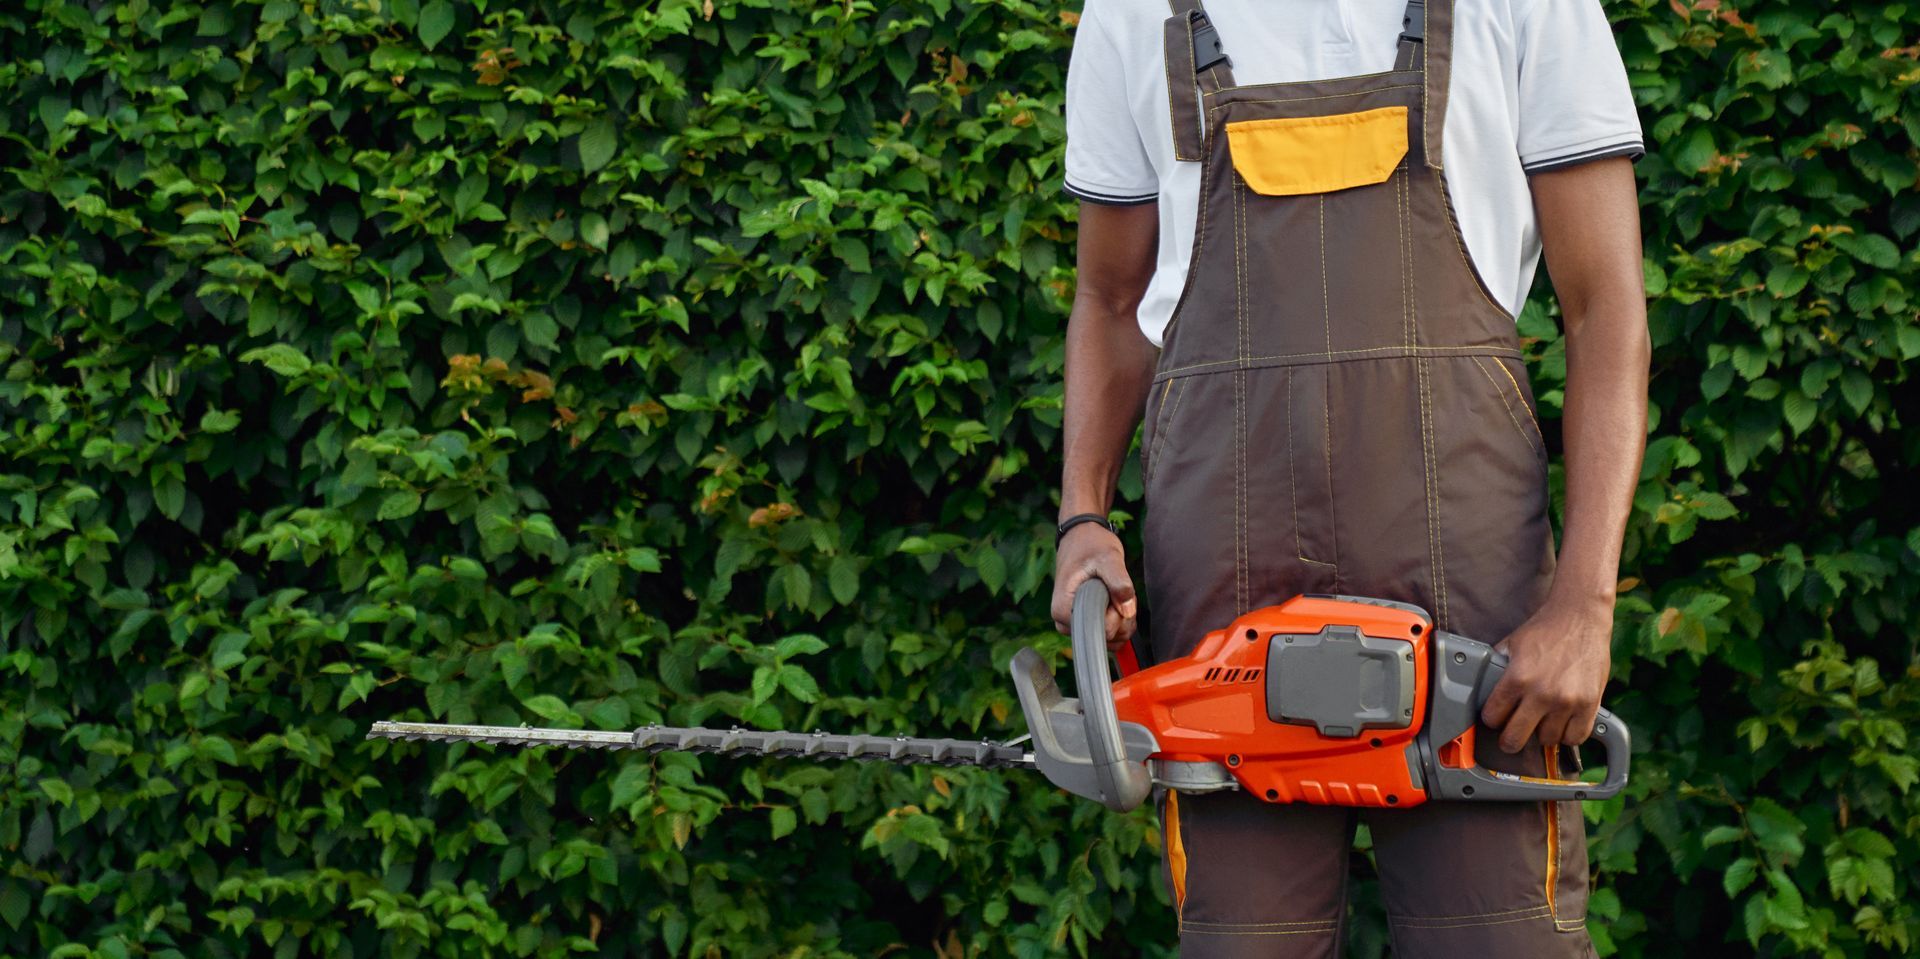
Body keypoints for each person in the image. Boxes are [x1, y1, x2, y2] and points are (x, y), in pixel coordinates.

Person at [1048, 0, 1650, 954]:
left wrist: (1586, 600)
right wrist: (1082, 515)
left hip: (1480, 615)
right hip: (1223, 611)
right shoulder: (1130, 11)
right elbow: (1111, 297)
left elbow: (1606, 308)